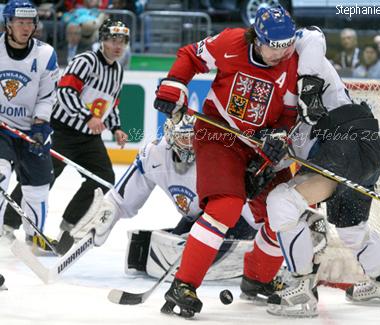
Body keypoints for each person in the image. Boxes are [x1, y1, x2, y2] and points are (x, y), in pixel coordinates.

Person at [153, 4, 299, 318]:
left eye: (288, 45)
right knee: (226, 206)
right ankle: (184, 284)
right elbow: (191, 56)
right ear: (256, 40)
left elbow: (289, 114)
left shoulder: (293, 61)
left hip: (264, 147)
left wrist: (280, 136)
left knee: (286, 207)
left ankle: (258, 278)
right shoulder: (231, 42)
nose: (283, 54)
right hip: (221, 135)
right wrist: (175, 83)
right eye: (275, 47)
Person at [263, 26, 380, 317]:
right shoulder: (275, 104)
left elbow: (313, 34)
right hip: (364, 150)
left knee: (281, 203)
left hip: (342, 144)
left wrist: (309, 86)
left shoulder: (298, 57)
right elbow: (293, 149)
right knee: (351, 230)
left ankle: (301, 291)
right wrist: (271, 159)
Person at [69, 116, 258, 280]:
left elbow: (244, 205)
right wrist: (106, 216)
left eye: (193, 138)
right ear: (170, 137)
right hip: (198, 218)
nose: (189, 145)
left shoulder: (216, 156)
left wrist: (266, 238)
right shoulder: (154, 154)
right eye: (183, 138)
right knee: (173, 245)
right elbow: (121, 199)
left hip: (231, 217)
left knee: (187, 252)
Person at [2, 18, 129, 240]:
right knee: (40, 177)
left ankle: (68, 225)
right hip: (62, 132)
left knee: (104, 177)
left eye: (122, 41)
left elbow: (111, 103)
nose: (118, 46)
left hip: (89, 138)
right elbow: (64, 92)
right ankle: (7, 226)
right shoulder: (86, 61)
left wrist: (116, 127)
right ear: (102, 40)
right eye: (112, 39)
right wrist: (87, 116)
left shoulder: (117, 70)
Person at [0, 0, 59, 251]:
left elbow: (47, 96)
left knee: (38, 186)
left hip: (31, 129)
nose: (26, 28)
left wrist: (40, 126)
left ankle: (35, 235)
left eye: (29, 23)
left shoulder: (45, 53)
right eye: (19, 22)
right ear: (8, 24)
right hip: (1, 128)